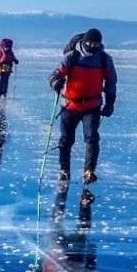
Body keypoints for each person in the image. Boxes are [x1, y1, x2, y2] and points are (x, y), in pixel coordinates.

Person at [48, 27, 117, 183]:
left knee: (92, 138)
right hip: (70, 106)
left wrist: (110, 102)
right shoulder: (72, 57)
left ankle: (89, 171)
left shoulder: (104, 59)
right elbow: (55, 74)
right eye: (89, 43)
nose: (92, 46)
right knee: (66, 140)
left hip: (92, 106)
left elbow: (111, 82)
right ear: (83, 41)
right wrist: (56, 83)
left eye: (95, 44)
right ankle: (64, 169)